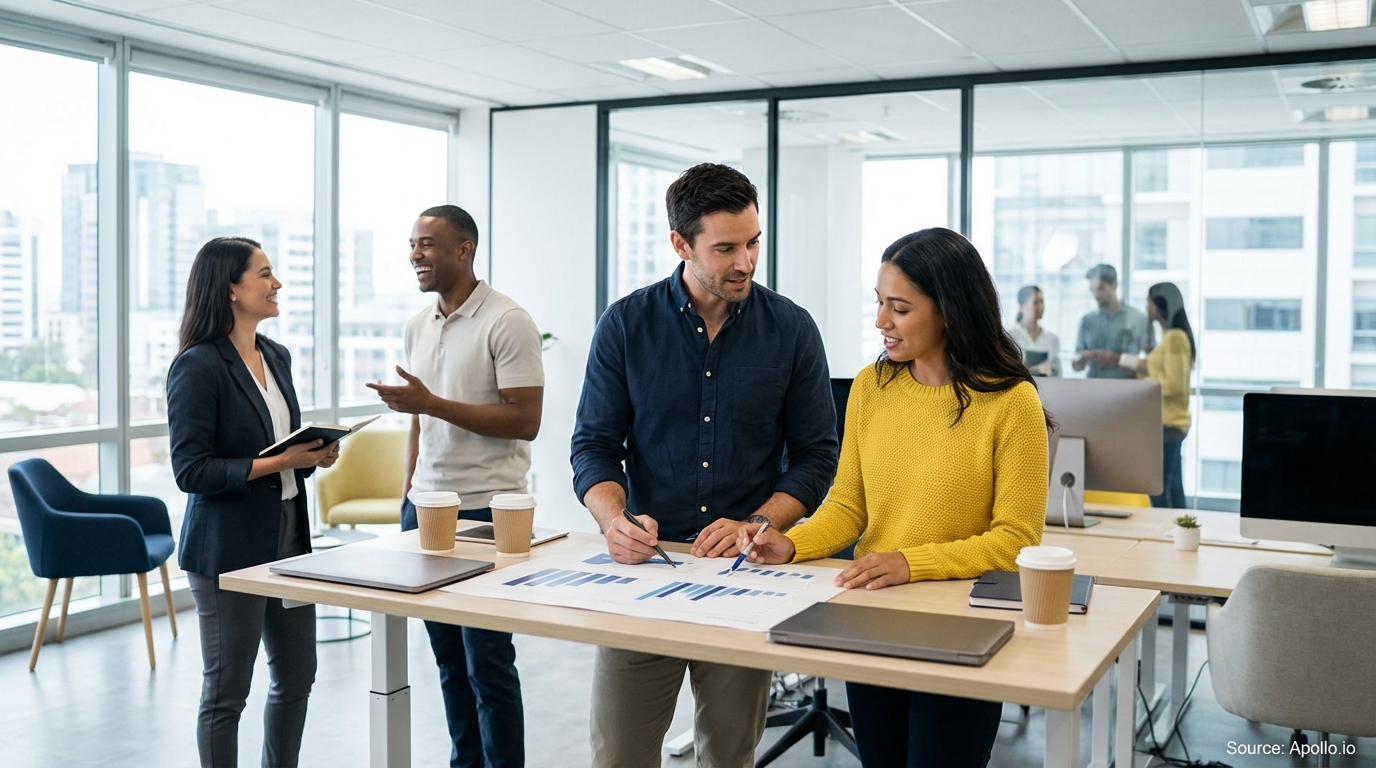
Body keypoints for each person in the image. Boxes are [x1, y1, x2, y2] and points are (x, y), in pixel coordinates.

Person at [738, 228, 1050, 768]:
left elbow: (1017, 541)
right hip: (873, 617)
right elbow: (848, 506)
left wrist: (912, 563)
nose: (881, 321)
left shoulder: (1012, 402)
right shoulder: (871, 388)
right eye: (879, 303)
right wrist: (789, 544)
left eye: (899, 308)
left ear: (949, 311)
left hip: (961, 626)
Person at [570, 163, 839, 768]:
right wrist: (613, 519)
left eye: (753, 243)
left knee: (728, 757)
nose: (744, 262)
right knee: (619, 755)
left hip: (743, 577)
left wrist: (759, 521)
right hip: (645, 572)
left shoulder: (792, 330)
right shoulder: (625, 325)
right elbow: (592, 445)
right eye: (725, 248)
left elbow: (818, 455)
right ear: (680, 244)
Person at [367, 205, 543, 768]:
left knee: (487, 663)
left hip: (488, 514)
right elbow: (419, 422)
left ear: (463, 249)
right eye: (412, 244)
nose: (415, 254)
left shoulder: (507, 319)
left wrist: (431, 404)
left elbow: (525, 420)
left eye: (427, 244)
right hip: (425, 508)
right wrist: (407, 493)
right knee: (446, 660)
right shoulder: (419, 324)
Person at [167, 237, 340, 768]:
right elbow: (190, 471)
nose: (277, 283)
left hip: (288, 538)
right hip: (228, 550)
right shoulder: (197, 366)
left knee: (297, 677)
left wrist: (312, 455)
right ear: (232, 290)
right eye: (265, 274)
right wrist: (280, 464)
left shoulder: (276, 355)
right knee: (226, 693)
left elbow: (278, 441)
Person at [1133, 282, 1195, 509]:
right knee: (1174, 489)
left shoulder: (1175, 337)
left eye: (1149, 303)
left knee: (1158, 492)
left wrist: (1141, 381)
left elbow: (1173, 384)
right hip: (1170, 425)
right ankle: (1180, 536)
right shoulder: (1171, 336)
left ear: (1160, 305)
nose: (1147, 309)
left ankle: (1162, 537)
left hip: (1168, 425)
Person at [1072, 264, 1151, 378]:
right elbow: (1076, 365)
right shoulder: (1087, 321)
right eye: (1092, 290)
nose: (1096, 295)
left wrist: (1117, 359)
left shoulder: (1138, 319)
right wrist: (1082, 358)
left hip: (1129, 390)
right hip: (1093, 390)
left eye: (1100, 289)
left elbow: (1151, 364)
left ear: (1114, 285)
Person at [1007, 284, 1059, 376]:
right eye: (1035, 302)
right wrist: (1035, 370)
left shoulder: (1052, 339)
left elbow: (1057, 373)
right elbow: (1008, 371)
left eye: (1041, 302)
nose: (1040, 307)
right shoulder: (1010, 336)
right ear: (1021, 307)